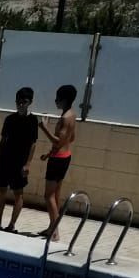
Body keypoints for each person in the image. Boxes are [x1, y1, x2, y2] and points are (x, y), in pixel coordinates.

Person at [0, 86, 39, 231]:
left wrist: (28, 164)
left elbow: (33, 144)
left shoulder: (32, 121)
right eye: (18, 101)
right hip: (6, 159)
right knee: (1, 189)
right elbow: (2, 142)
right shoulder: (10, 119)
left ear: (29, 102)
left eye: (24, 102)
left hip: (20, 162)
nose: (20, 104)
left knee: (18, 193)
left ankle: (12, 225)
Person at [38, 83, 79, 239]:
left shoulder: (64, 118)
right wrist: (49, 154)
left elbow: (57, 141)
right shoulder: (72, 115)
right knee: (55, 195)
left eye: (58, 99)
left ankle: (55, 231)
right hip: (64, 157)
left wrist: (44, 127)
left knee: (48, 196)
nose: (55, 101)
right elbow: (71, 138)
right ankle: (52, 227)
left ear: (64, 100)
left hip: (58, 161)